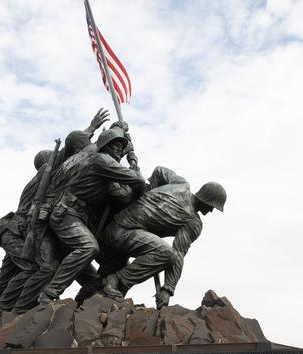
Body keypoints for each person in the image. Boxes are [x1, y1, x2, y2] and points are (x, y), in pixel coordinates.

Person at [37, 126, 146, 304]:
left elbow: (122, 196)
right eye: (115, 144)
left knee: (115, 257)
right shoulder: (101, 160)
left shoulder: (108, 167)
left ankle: (88, 299)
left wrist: (133, 165)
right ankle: (49, 294)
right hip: (67, 213)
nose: (119, 148)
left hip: (80, 218)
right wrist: (135, 171)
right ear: (105, 145)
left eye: (121, 145)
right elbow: (138, 181)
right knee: (89, 247)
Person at [101, 166, 226, 308]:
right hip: (122, 233)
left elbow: (159, 171)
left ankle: (105, 295)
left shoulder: (181, 184)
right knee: (166, 254)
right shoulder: (193, 222)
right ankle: (117, 279)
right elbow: (177, 254)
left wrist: (149, 191)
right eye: (212, 207)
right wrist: (168, 289)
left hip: (117, 227)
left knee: (103, 288)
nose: (210, 211)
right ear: (207, 200)